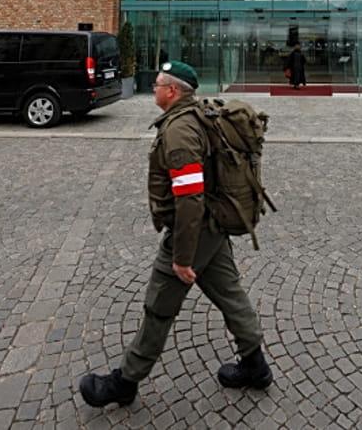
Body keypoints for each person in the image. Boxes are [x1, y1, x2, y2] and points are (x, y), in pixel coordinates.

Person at [79, 61, 271, 408]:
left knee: (159, 306)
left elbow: (190, 198)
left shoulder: (181, 130)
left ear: (172, 91)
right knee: (230, 294)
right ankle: (255, 366)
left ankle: (125, 381)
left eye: (156, 85)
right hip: (211, 228)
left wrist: (182, 258)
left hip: (195, 232)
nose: (153, 89)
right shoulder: (193, 117)